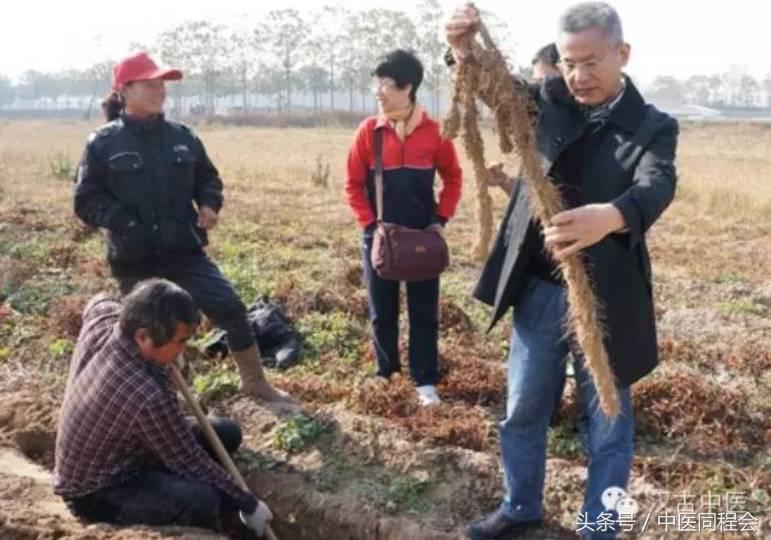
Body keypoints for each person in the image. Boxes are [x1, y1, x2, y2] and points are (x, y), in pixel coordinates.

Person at [446, 2, 679, 539]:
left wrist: (612, 216)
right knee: (524, 407)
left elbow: (657, 184)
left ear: (622, 54)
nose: (579, 76)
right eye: (570, 63)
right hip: (540, 289)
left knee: (609, 421)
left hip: (608, 297)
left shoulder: (652, 126)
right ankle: (520, 506)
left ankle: (601, 526)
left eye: (592, 62)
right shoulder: (550, 102)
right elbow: (498, 90)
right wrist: (463, 52)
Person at [73, 51, 289, 403]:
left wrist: (208, 203)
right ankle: (162, 397)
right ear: (124, 90)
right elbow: (85, 199)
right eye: (150, 84)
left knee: (231, 308)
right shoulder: (103, 143)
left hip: (184, 253)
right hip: (136, 259)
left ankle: (254, 383)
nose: (160, 91)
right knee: (151, 335)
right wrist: (124, 222)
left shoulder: (182, 136)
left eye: (162, 84)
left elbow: (208, 179)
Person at [54, 279, 273, 536]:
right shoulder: (144, 394)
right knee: (204, 500)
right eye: (180, 341)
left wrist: (166, 351)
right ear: (143, 337)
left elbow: (99, 300)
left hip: (124, 447)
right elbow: (188, 459)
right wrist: (247, 503)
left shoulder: (106, 318)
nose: (185, 349)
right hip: (98, 489)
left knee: (226, 433)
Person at [345, 49, 463, 406]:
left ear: (407, 87)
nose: (378, 91)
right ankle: (388, 374)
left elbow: (453, 178)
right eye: (376, 83)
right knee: (382, 311)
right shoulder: (370, 131)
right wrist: (370, 227)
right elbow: (352, 184)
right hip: (380, 235)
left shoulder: (434, 132)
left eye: (385, 84)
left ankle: (425, 381)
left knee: (424, 311)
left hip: (421, 237)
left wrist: (439, 221)